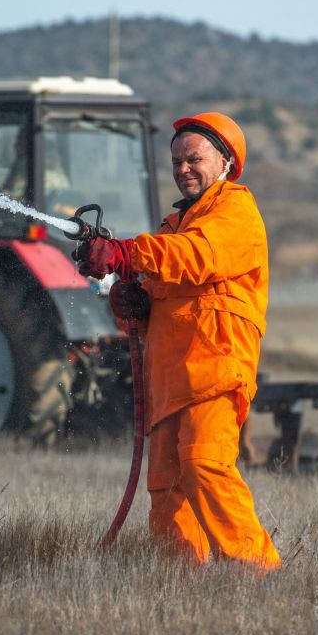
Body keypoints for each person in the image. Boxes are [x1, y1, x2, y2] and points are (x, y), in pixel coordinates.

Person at [73, 112, 280, 571]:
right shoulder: (174, 228)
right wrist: (129, 300)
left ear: (226, 162)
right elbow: (156, 308)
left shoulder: (236, 212)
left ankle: (258, 572)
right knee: (165, 489)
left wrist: (128, 252)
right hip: (169, 382)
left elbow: (198, 258)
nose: (183, 168)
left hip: (213, 370)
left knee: (206, 465)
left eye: (194, 159)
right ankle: (181, 582)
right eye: (176, 161)